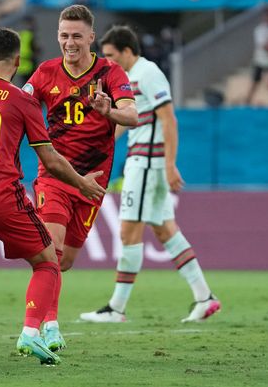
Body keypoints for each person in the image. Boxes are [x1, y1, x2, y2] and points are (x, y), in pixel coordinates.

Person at [0, 27, 106, 368]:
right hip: (1, 197)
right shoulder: (21, 100)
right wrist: (81, 183)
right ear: (18, 61)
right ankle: (29, 332)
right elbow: (50, 160)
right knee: (47, 261)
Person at [80, 25, 221, 324]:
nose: (107, 61)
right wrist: (98, 150)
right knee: (165, 230)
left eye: (111, 55)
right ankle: (204, 297)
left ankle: (116, 308)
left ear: (127, 51)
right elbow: (125, 122)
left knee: (128, 231)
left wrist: (170, 165)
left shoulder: (148, 73)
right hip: (142, 161)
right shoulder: (127, 79)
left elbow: (168, 119)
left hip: (147, 163)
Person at [23, 4, 138, 352]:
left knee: (66, 261)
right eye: (63, 35)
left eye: (76, 36)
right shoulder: (45, 72)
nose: (69, 42)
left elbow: (132, 115)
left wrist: (109, 111)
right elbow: (18, 104)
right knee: (51, 250)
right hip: (55, 173)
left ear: (91, 37)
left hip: (92, 181)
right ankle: (47, 327)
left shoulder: (110, 72)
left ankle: (46, 321)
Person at [245, 8, 268, 106]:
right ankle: (247, 102)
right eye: (266, 17)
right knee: (255, 82)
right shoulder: (260, 30)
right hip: (260, 60)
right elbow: (264, 46)